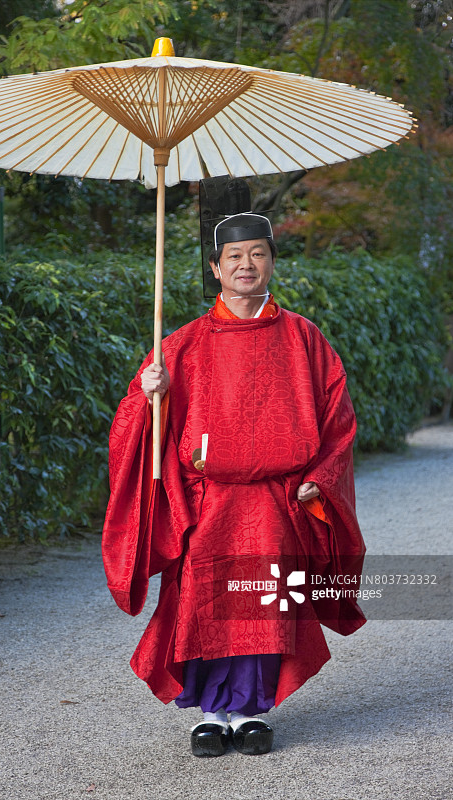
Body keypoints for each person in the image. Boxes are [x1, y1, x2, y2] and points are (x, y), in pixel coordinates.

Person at [102, 213, 366, 757]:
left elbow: (338, 419)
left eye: (258, 254)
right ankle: (210, 714)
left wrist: (319, 479)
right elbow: (135, 428)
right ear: (216, 268)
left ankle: (249, 711)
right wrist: (149, 395)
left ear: (272, 261)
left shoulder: (304, 338)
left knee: (262, 601)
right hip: (208, 501)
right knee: (203, 600)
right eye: (234, 257)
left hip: (275, 499)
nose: (247, 265)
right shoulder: (180, 345)